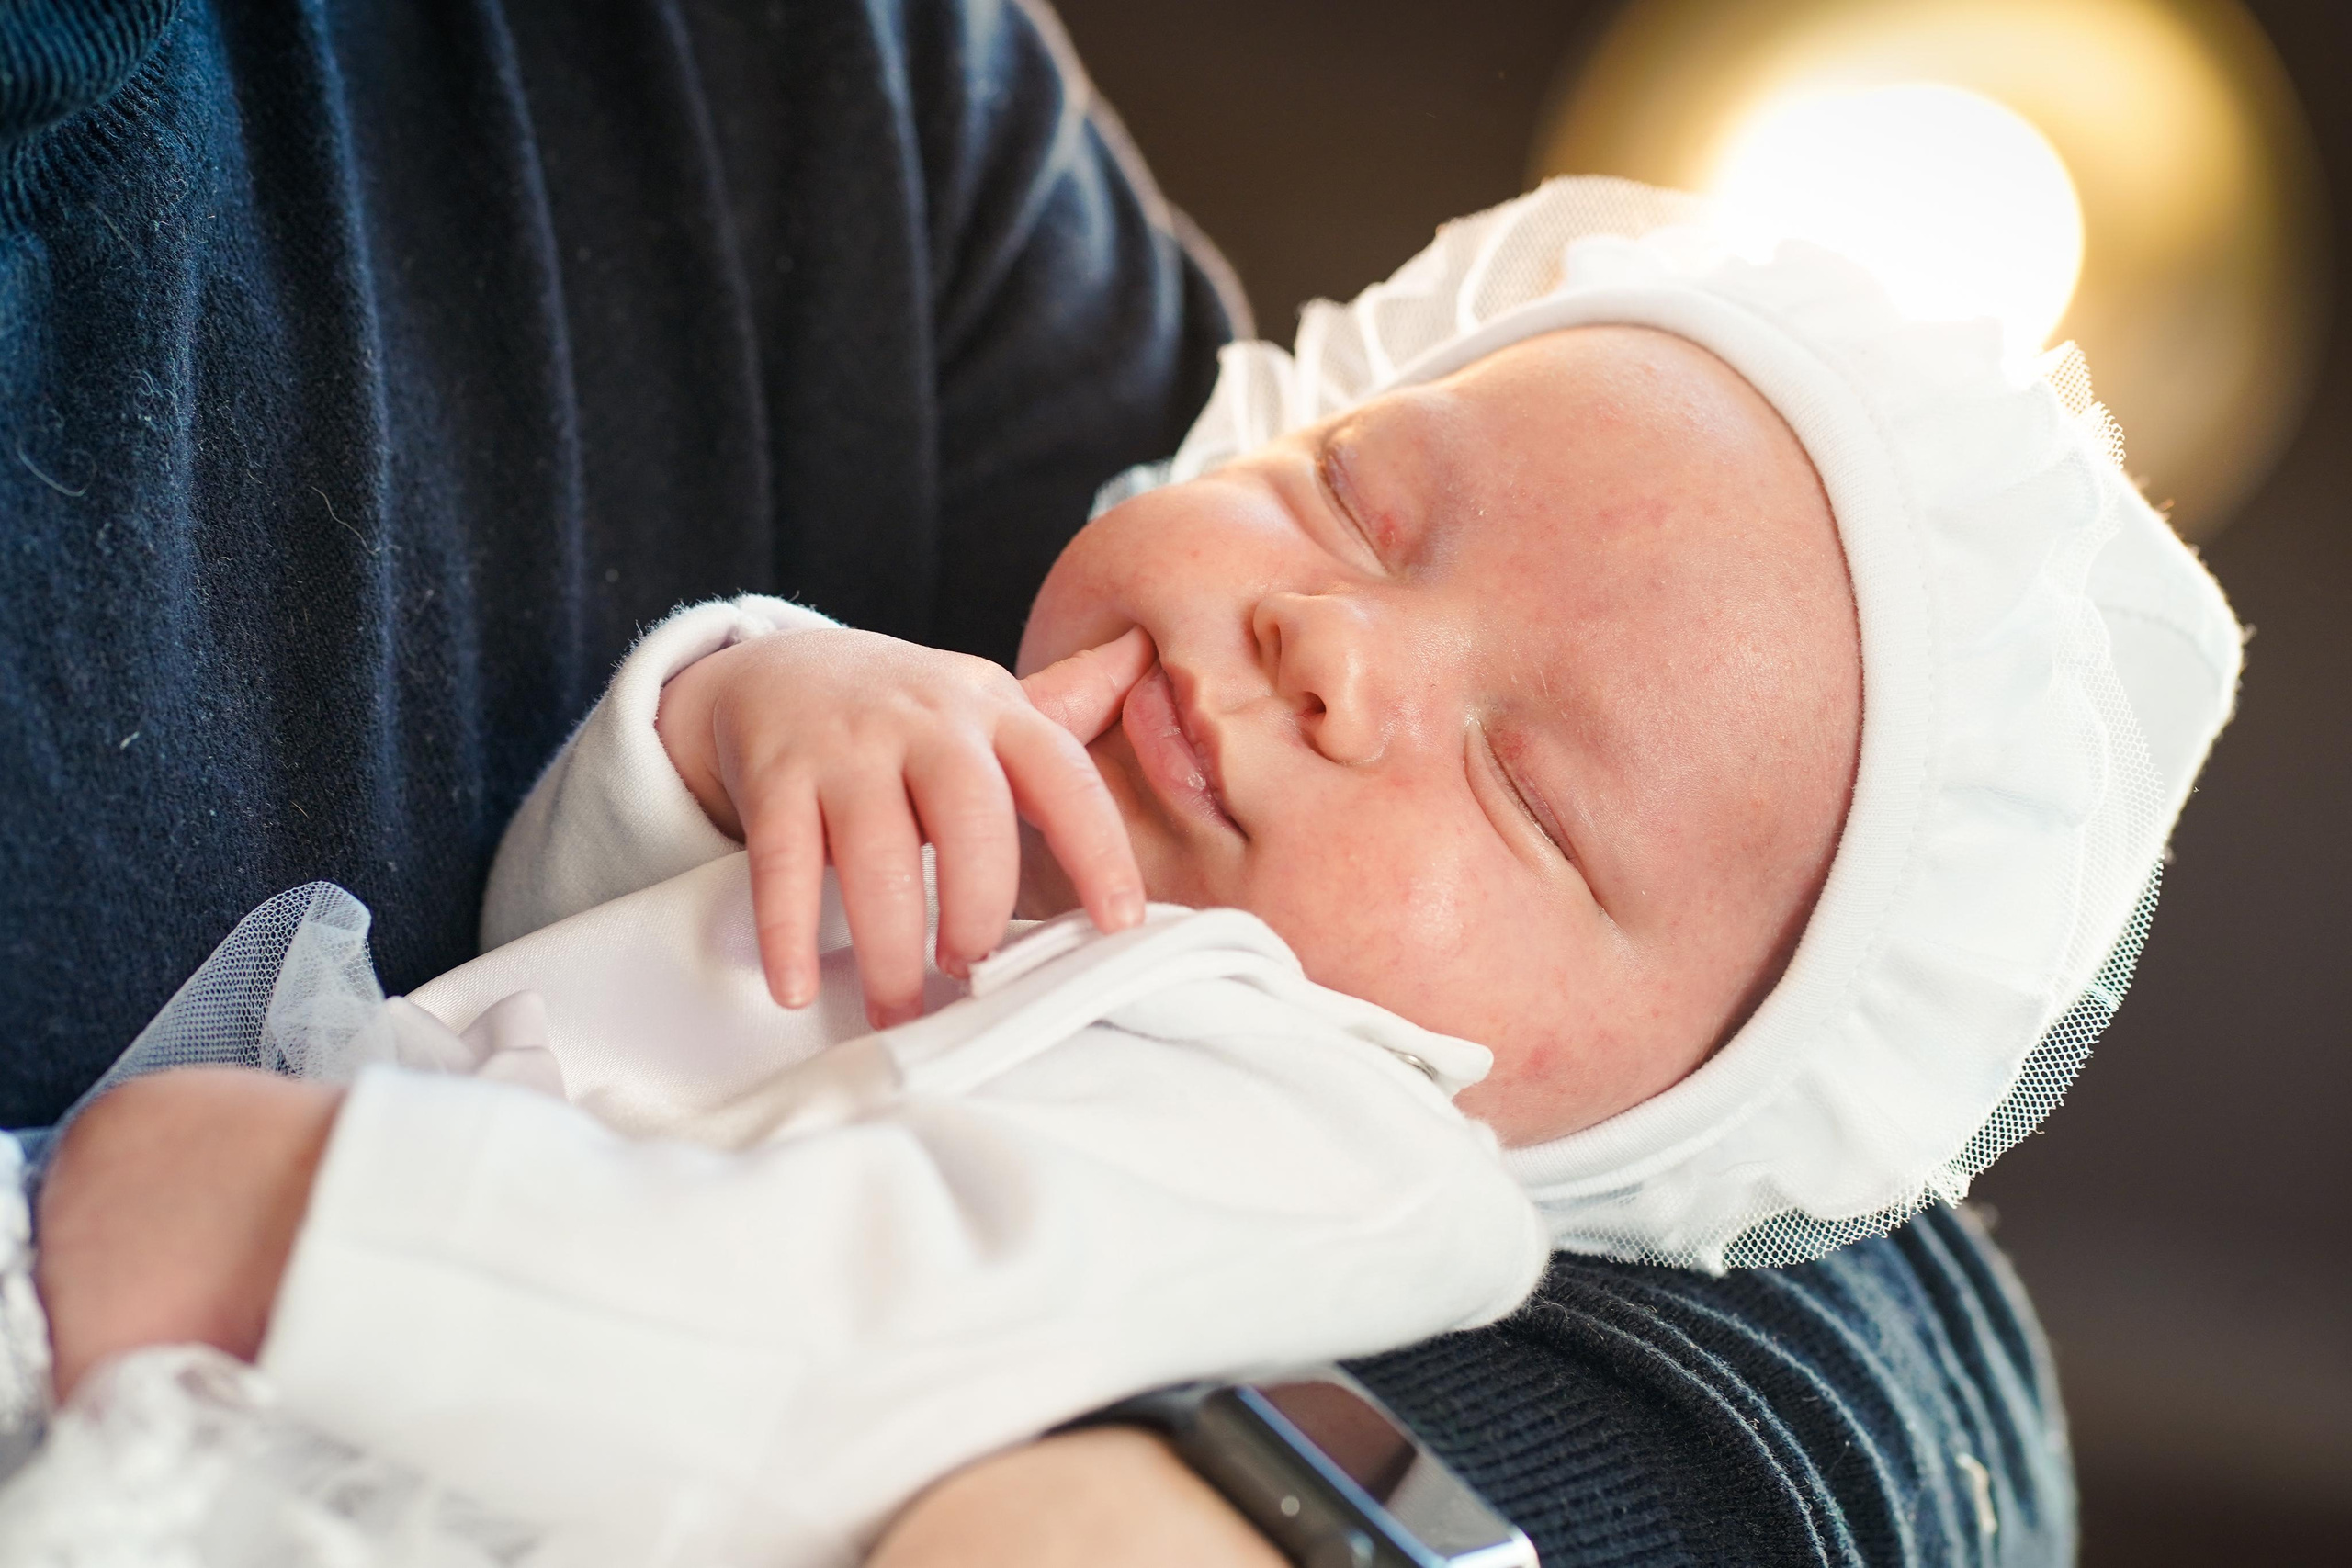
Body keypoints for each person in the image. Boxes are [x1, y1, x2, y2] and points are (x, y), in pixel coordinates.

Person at [21, 178, 2240, 1566]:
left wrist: (325, 1244)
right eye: (1360, 501)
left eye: (1532, 798)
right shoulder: (1014, 794)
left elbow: (844, 1334)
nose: (1335, 656)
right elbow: (573, 958)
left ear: (1638, 1115)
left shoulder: (1320, 1146)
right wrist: (735, 725)